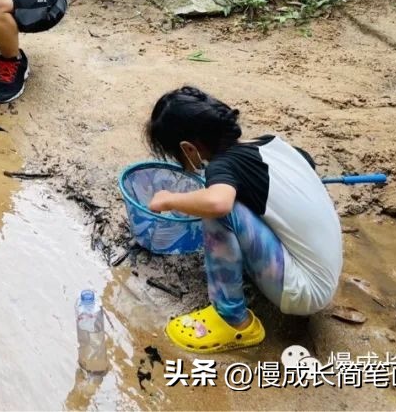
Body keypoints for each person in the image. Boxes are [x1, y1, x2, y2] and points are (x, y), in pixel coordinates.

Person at [144, 86, 342, 353]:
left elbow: (218, 202)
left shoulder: (222, 166)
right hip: (326, 271)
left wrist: (168, 199)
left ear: (189, 149)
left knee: (221, 212)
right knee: (229, 203)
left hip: (306, 291)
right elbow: (307, 162)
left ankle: (233, 320)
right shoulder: (272, 144)